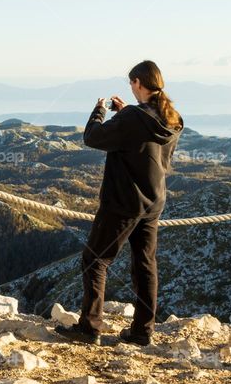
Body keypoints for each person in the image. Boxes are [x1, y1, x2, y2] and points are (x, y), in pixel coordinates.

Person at [56, 60, 183, 346]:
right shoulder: (171, 118)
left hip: (123, 202)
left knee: (95, 260)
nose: (131, 87)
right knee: (145, 265)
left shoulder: (133, 119)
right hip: (153, 202)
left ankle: (89, 328)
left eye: (131, 83)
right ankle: (142, 331)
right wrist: (126, 112)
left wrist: (99, 111)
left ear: (138, 83)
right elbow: (146, 142)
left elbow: (93, 138)